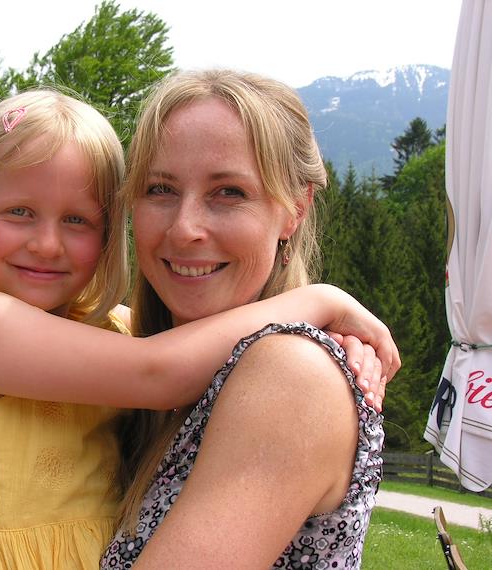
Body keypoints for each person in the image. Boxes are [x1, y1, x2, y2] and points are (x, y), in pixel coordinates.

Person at [0, 88, 398, 569]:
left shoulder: (119, 330)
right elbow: (159, 369)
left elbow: (181, 354)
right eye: (19, 212)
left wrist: (319, 332)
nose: (47, 244)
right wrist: (319, 302)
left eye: (77, 220)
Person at [101, 69, 390, 569]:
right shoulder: (140, 361)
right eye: (160, 189)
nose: (184, 228)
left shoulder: (292, 376)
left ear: (295, 209)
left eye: (229, 192)